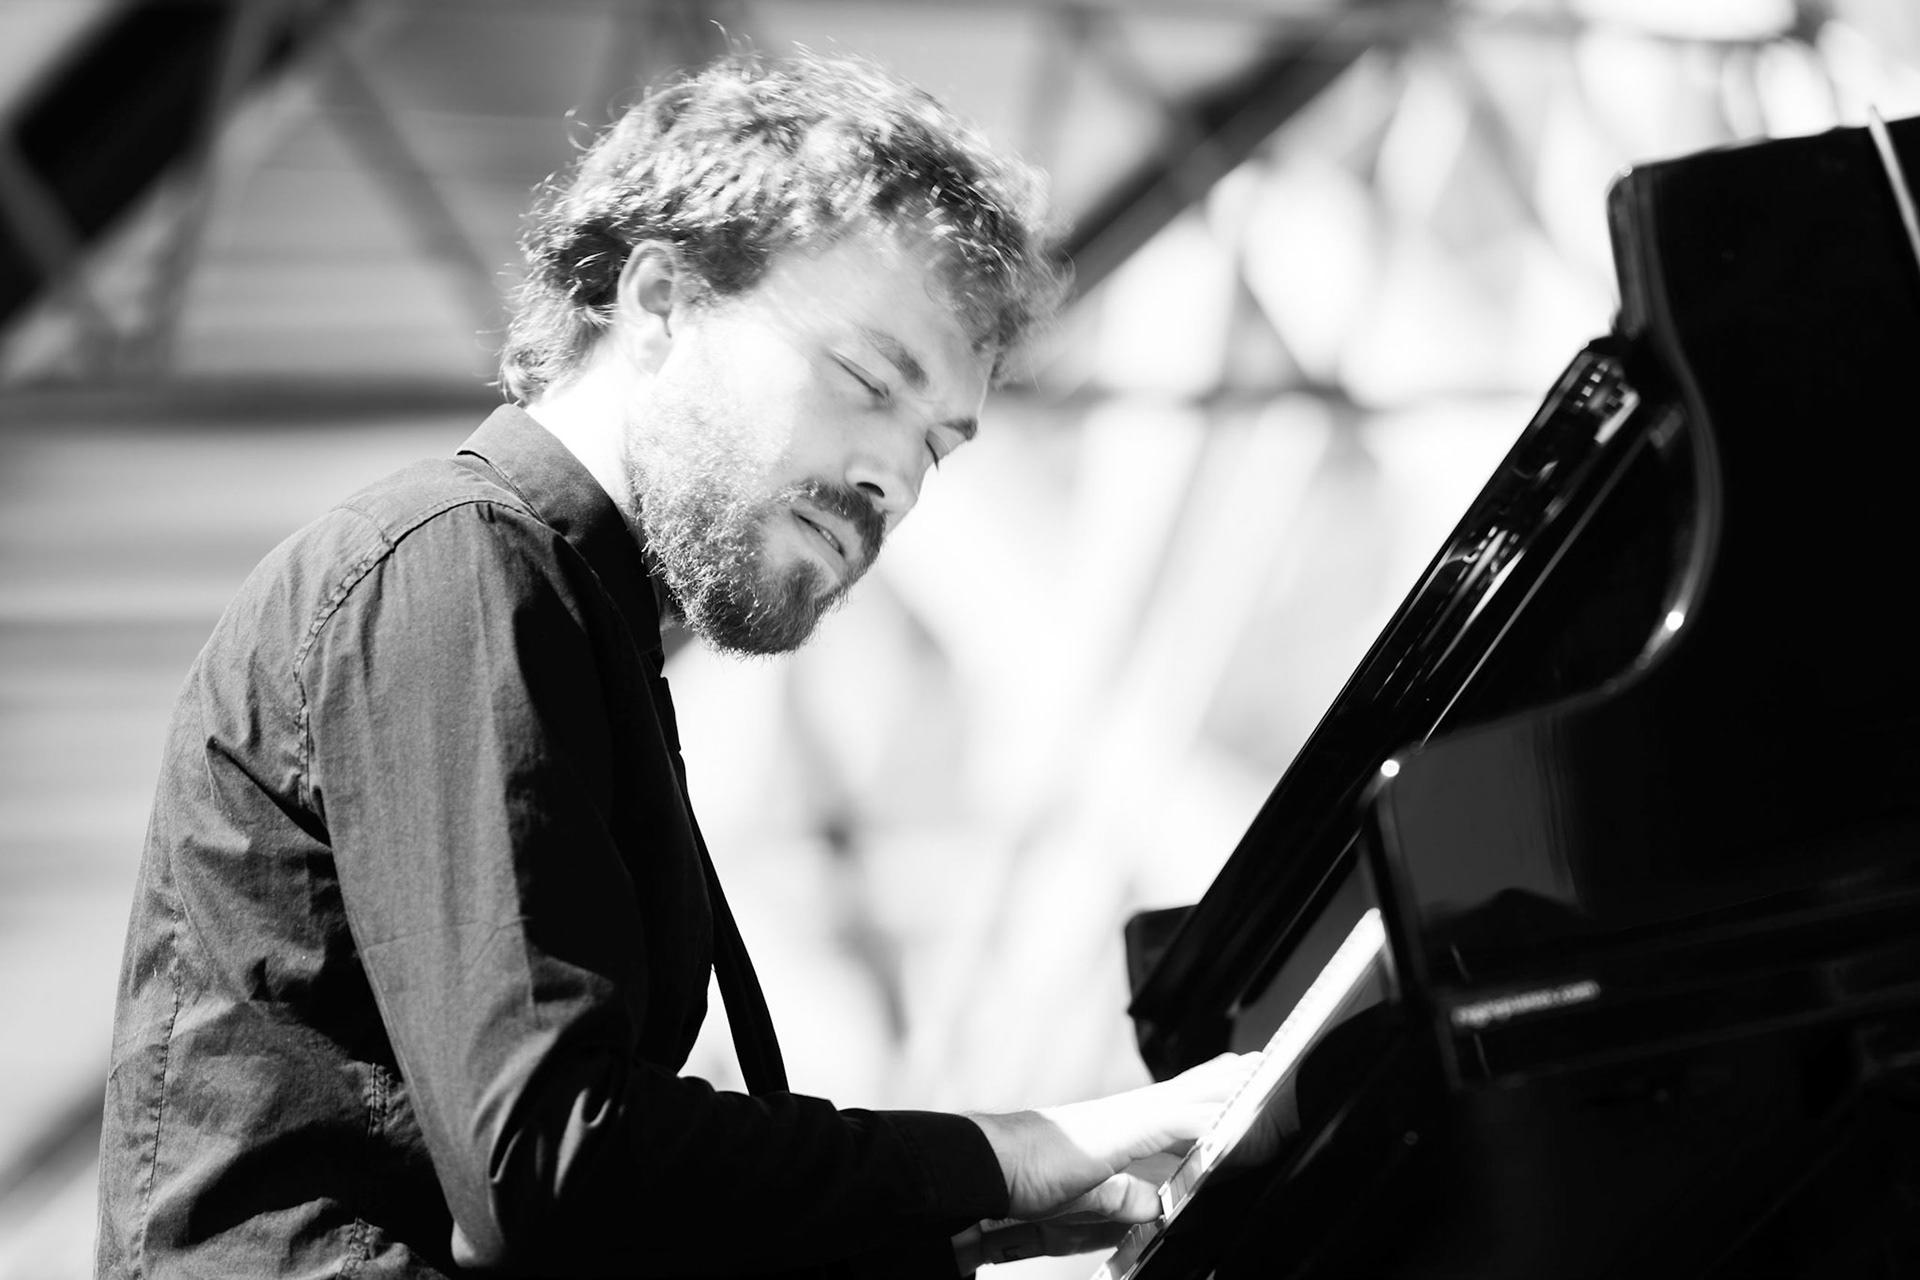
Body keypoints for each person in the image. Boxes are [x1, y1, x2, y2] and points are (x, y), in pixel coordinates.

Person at [95, 52, 1251, 1279]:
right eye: (867, 379)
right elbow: (549, 1158)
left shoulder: (566, 621)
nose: (896, 480)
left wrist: (910, 1220)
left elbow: (564, 1197)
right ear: (660, 302)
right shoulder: (458, 562)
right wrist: (998, 1152)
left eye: (937, 446)